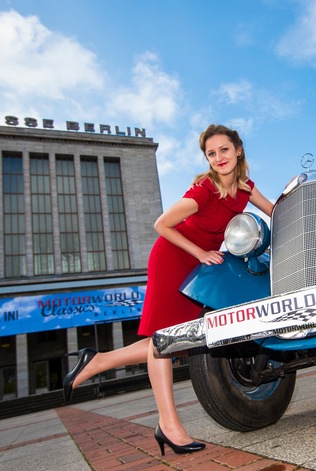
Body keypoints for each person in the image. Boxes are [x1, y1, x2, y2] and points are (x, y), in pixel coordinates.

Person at [63, 124, 274, 455]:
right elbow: (161, 225)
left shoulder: (246, 188)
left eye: (224, 150)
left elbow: (274, 210)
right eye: (211, 153)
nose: (219, 158)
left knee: (173, 340)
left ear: (238, 150)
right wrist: (201, 253)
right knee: (164, 340)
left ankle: (97, 362)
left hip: (199, 266)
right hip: (174, 258)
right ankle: (169, 425)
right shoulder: (204, 190)